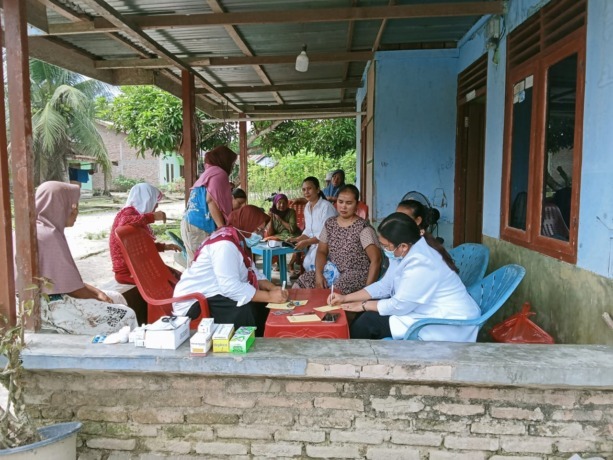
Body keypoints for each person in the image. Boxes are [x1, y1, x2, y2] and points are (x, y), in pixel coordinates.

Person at [329, 212, 480, 341]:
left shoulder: (422, 263)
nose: (383, 249)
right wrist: (345, 298)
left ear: (403, 246)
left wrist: (363, 305)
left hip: (449, 322)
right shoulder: (403, 253)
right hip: (423, 309)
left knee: (369, 321)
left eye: (385, 246)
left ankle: (352, 361)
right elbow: (385, 286)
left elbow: (399, 305)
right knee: (368, 315)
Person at [34, 181, 137, 334]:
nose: (76, 210)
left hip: (57, 298)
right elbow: (72, 289)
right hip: (51, 309)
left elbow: (65, 281)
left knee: (115, 297)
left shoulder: (43, 229)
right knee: (125, 315)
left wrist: (96, 292)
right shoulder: (48, 236)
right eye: (73, 205)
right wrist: (96, 297)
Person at [172, 205, 287, 335]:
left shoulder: (238, 241)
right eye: (258, 230)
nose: (260, 236)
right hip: (195, 302)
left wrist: (272, 288)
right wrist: (269, 296)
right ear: (246, 224)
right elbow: (231, 287)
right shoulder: (224, 245)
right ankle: (252, 349)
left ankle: (266, 338)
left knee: (261, 304)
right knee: (246, 310)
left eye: (262, 231)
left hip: (216, 293)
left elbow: (253, 272)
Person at [295, 185, 381, 294]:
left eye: (349, 203)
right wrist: (318, 275)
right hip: (332, 271)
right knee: (303, 281)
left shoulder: (363, 228)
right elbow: (321, 251)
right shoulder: (330, 224)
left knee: (334, 291)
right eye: (340, 202)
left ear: (357, 205)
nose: (343, 207)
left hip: (355, 275)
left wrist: (367, 292)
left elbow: (376, 260)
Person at [109, 183, 181, 285]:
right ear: (146, 200)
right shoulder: (128, 213)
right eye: (154, 202)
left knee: (177, 276)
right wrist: (152, 217)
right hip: (127, 272)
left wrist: (164, 247)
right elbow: (123, 224)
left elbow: (141, 247)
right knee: (169, 282)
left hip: (136, 267)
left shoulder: (135, 215)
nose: (156, 206)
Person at [181, 146, 237, 266]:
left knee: (195, 265)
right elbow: (211, 200)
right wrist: (223, 229)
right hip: (199, 226)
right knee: (202, 267)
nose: (232, 167)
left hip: (190, 223)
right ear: (224, 160)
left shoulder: (209, 173)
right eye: (232, 163)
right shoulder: (219, 174)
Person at [288, 176, 338, 275]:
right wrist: (298, 239)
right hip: (315, 245)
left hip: (328, 246)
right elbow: (308, 231)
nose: (306, 192)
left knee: (314, 265)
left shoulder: (326, 207)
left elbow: (326, 234)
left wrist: (306, 242)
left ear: (318, 189)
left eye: (309, 188)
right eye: (304, 189)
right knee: (307, 264)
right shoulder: (307, 207)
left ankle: (322, 288)